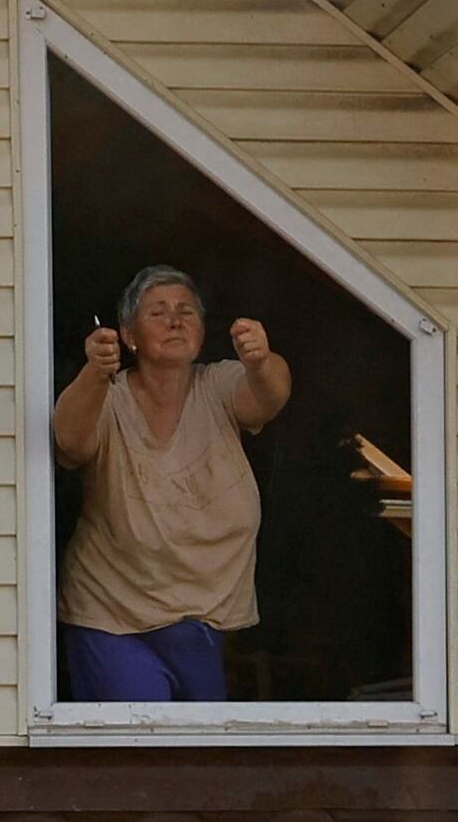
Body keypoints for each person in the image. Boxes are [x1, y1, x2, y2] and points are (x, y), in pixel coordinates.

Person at [51, 264, 289, 701]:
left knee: (199, 756)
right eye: (158, 312)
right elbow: (70, 441)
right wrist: (93, 372)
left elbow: (269, 397)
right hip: (112, 614)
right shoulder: (110, 394)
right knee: (144, 748)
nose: (175, 320)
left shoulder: (218, 384)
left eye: (187, 312)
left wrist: (260, 361)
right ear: (128, 335)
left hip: (200, 621)